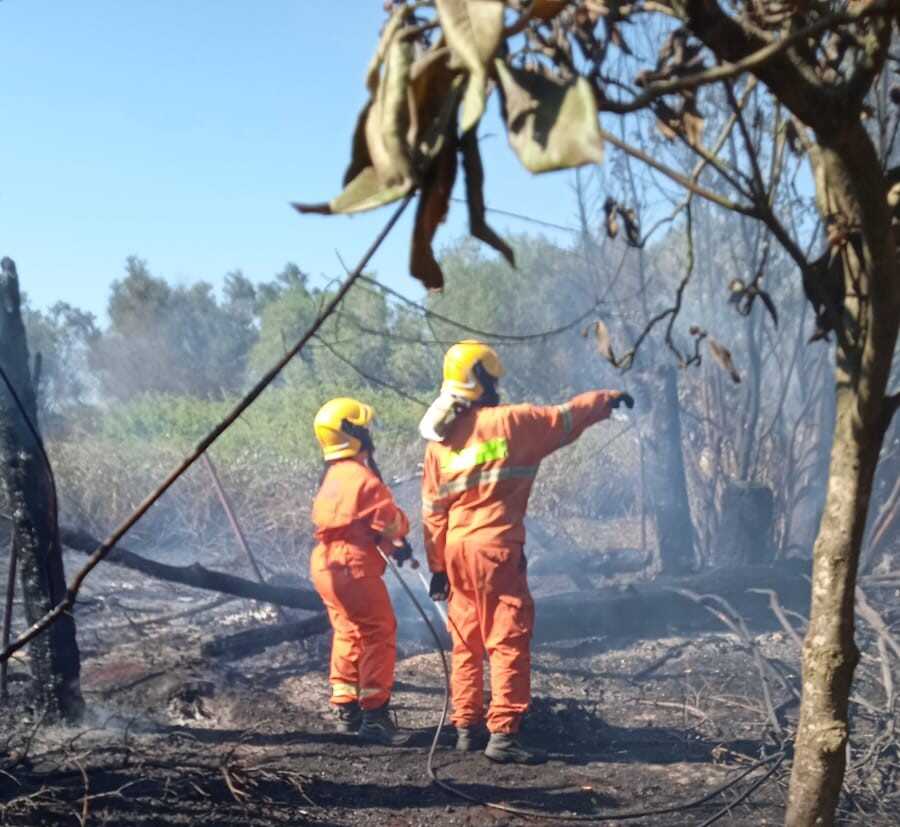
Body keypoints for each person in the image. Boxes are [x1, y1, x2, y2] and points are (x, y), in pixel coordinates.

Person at [419, 341, 634, 764]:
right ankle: (503, 737)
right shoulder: (514, 423)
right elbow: (565, 418)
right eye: (492, 377)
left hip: (457, 550)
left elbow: (432, 512)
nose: (497, 384)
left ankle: (466, 728)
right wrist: (606, 400)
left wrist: (438, 568)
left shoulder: (440, 444)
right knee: (507, 638)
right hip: (496, 547)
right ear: (481, 379)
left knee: (467, 640)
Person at [310, 397, 414, 746]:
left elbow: (352, 525)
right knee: (378, 630)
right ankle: (375, 716)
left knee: (347, 630)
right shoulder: (362, 478)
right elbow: (388, 522)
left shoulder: (330, 478)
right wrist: (401, 535)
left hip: (325, 564)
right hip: (352, 565)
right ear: (353, 433)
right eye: (364, 427)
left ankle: (346, 708)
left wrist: (387, 545)